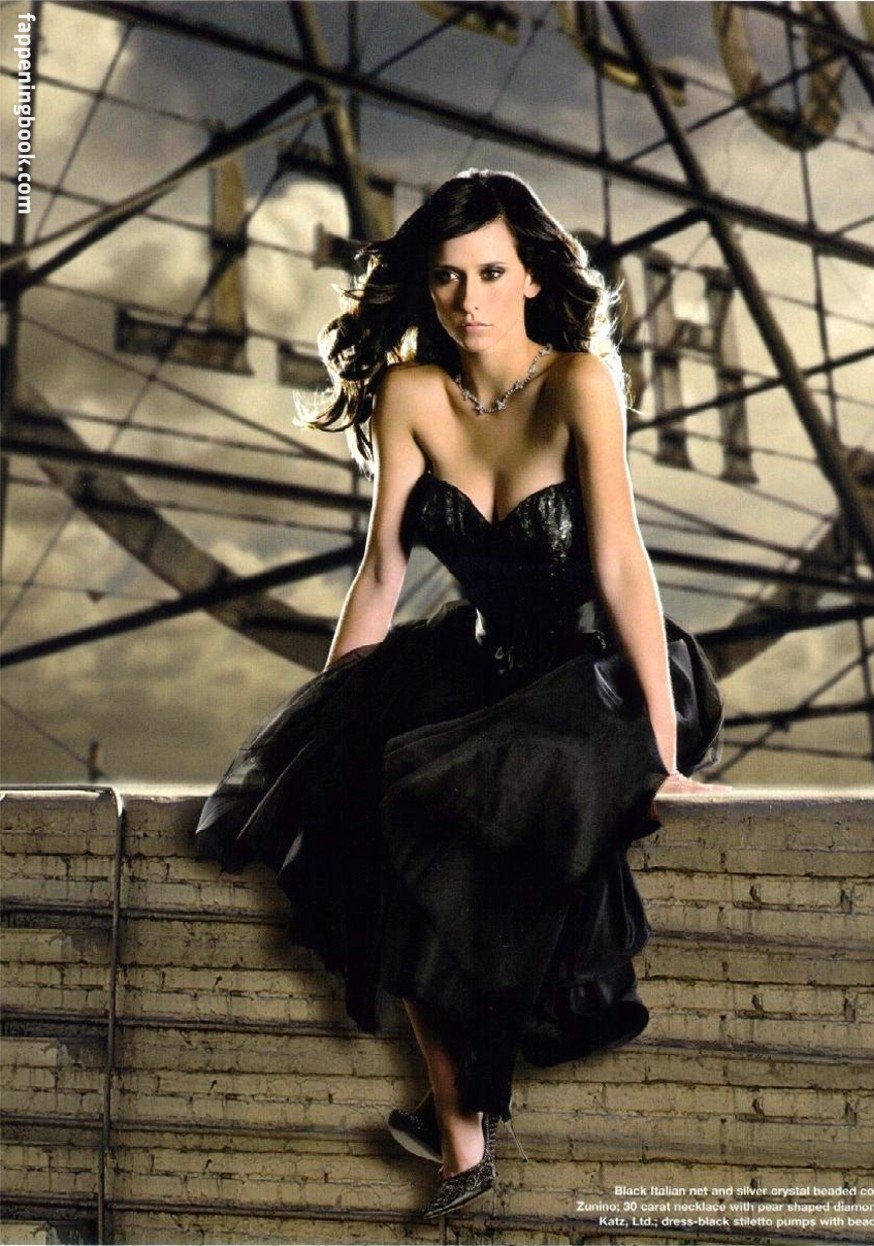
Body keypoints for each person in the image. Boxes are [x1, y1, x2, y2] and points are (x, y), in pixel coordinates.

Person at [194, 169, 724, 1219]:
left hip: (596, 675)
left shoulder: (578, 382)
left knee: (481, 797)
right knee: (371, 797)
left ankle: (464, 1095)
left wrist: (663, 755)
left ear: (530, 277)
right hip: (475, 665)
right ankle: (463, 1143)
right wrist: (329, 723)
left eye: (488, 273)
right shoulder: (409, 395)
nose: (467, 298)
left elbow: (622, 565)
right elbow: (381, 575)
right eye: (446, 277)